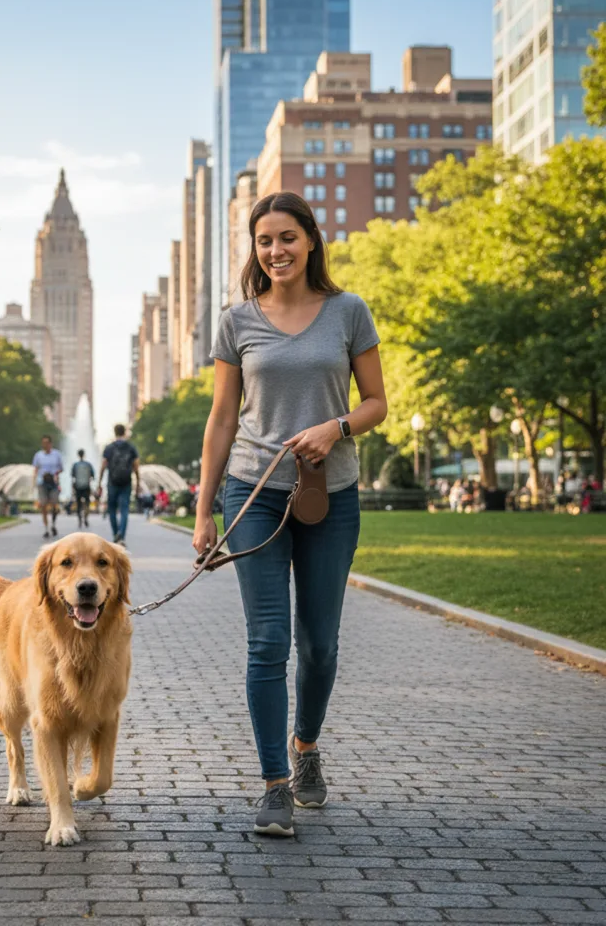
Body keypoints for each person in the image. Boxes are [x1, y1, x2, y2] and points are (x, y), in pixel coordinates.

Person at [192, 191, 386, 838]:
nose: (275, 250)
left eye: (286, 238)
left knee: (321, 645)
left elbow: (377, 403)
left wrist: (335, 428)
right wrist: (204, 512)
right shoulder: (237, 321)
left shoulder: (348, 311)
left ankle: (306, 748)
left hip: (331, 494)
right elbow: (221, 420)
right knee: (268, 640)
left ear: (310, 241)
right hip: (253, 490)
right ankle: (275, 784)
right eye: (264, 240)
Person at [98, 424, 140, 546]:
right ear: (124, 432)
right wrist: (138, 482)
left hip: (112, 482)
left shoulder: (109, 448)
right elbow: (136, 466)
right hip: (126, 482)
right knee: (124, 509)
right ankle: (121, 535)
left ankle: (115, 533)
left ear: (114, 432)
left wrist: (99, 483)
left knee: (112, 509)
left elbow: (103, 465)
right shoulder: (131, 447)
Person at [32, 435, 64, 539]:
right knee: (43, 505)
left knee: (55, 504)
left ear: (50, 444)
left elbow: (61, 468)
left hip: (53, 483)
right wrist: (34, 481)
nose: (44, 445)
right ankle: (46, 528)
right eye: (43, 443)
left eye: (46, 443)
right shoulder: (38, 455)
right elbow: (36, 469)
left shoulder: (57, 454)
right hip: (42, 482)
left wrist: (54, 473)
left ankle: (53, 524)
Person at [71, 449, 96, 528]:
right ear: (84, 454)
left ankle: (79, 520)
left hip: (78, 486)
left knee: (78, 504)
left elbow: (72, 476)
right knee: (87, 503)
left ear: (78, 455)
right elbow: (93, 476)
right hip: (86, 486)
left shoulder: (75, 465)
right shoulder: (88, 464)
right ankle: (85, 517)